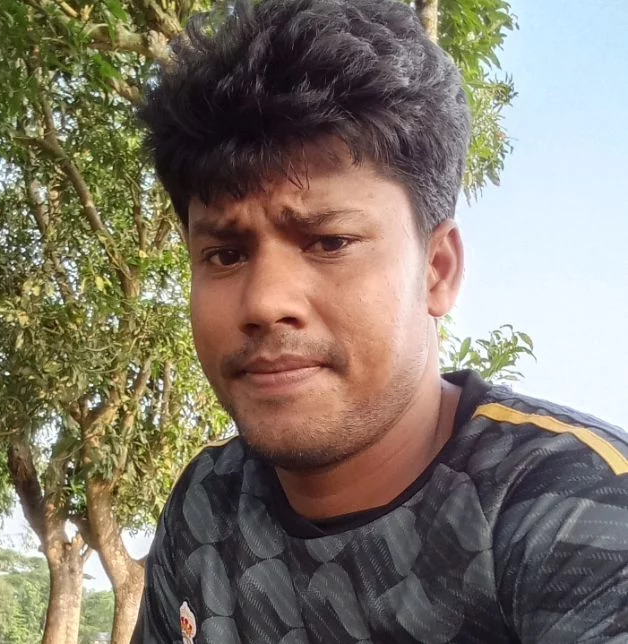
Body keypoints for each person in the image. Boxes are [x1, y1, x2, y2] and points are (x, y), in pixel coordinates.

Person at [132, 0, 628, 641]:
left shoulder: (576, 506)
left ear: (438, 271)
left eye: (329, 242)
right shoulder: (206, 504)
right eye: (225, 254)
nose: (263, 302)